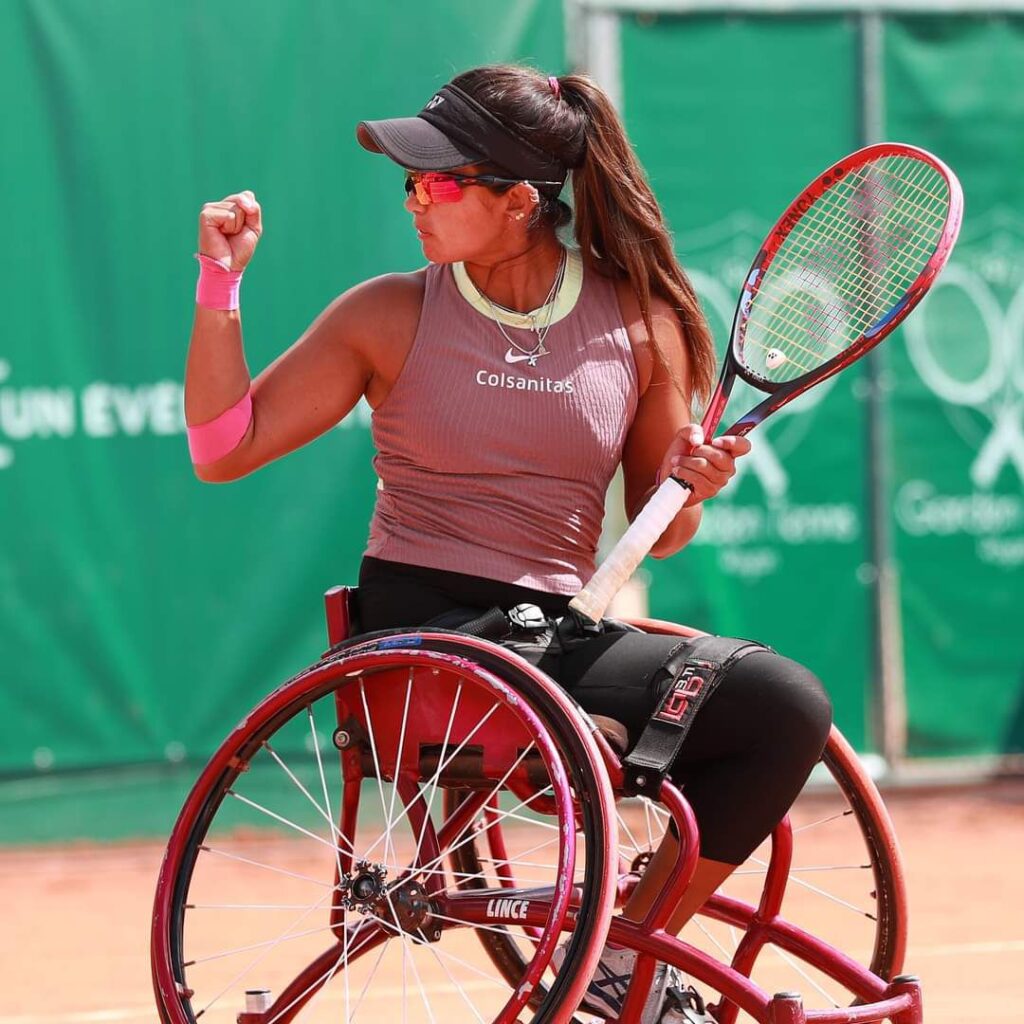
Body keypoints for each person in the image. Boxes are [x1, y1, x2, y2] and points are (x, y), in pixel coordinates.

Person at [185, 65, 833, 1024]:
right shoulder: (387, 313)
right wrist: (220, 280)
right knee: (584, 698)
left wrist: (687, 488)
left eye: (439, 182)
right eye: (409, 182)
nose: (415, 200)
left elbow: (667, 535)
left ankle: (615, 956)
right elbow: (221, 446)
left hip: (557, 640)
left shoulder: (641, 322)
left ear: (522, 201)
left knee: (786, 704)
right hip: (427, 639)